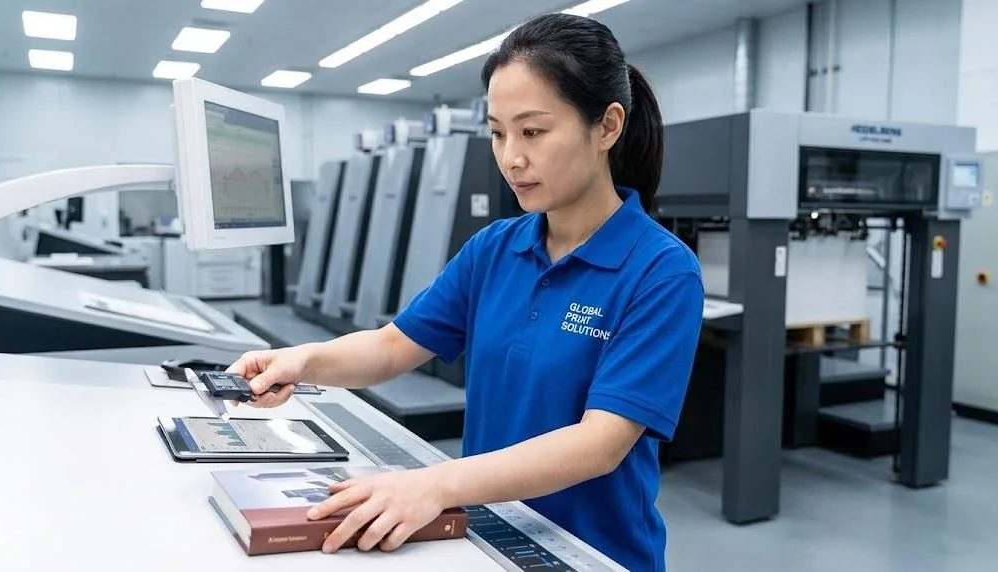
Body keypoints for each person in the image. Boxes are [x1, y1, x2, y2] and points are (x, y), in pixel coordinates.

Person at [227, 12, 704, 572]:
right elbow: (390, 347)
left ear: (606, 126)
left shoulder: (662, 271)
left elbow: (599, 443)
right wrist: (301, 360)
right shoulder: (494, 249)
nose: (510, 157)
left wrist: (435, 484)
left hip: (594, 554)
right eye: (498, 132)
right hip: (490, 534)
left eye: (533, 131)